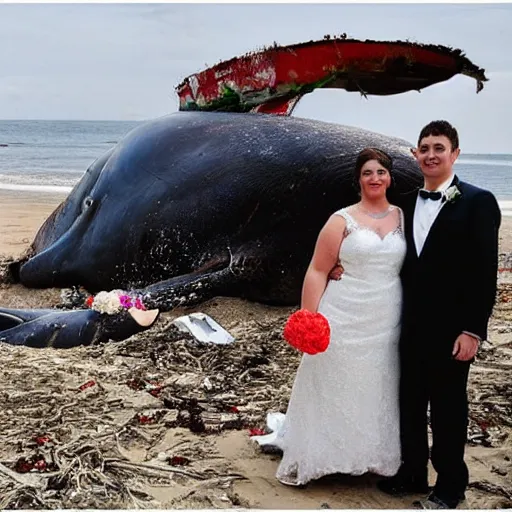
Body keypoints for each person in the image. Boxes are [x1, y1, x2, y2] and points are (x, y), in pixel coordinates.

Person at [255, 147, 406, 486]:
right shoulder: (341, 219)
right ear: (358, 179)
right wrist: (310, 319)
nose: (375, 178)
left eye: (381, 172)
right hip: (344, 312)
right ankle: (324, 455)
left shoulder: (401, 216)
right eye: (368, 172)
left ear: (390, 178)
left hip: (387, 314)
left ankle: (370, 457)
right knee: (335, 379)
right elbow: (318, 270)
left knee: (377, 383)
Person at [374, 120, 502, 509]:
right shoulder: (406, 204)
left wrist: (472, 331)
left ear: (455, 154)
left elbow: (484, 273)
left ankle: (450, 485)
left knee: (447, 408)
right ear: (416, 155)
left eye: (439, 148)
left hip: (452, 329)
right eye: (424, 148)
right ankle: (412, 473)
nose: (430, 154)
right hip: (408, 324)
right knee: (409, 402)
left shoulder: (478, 202)